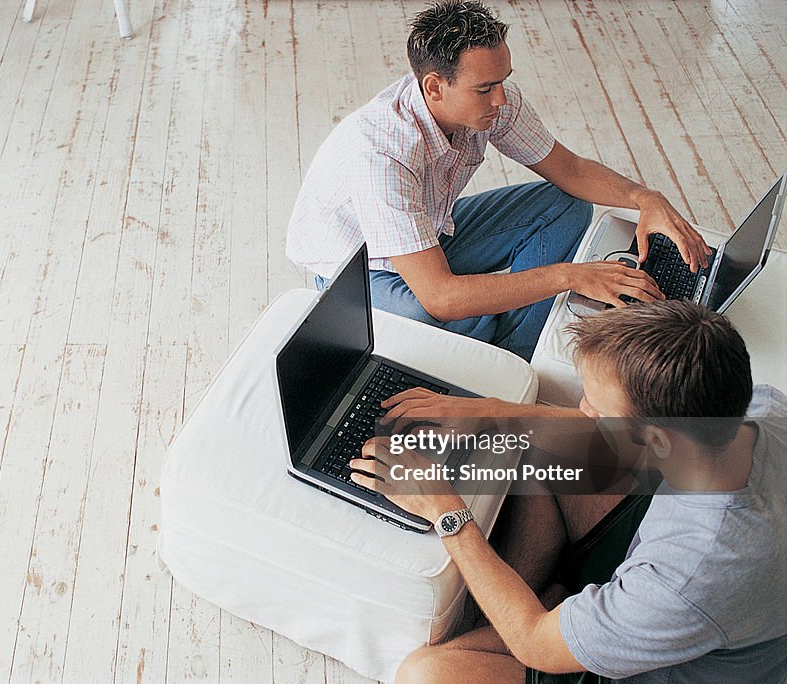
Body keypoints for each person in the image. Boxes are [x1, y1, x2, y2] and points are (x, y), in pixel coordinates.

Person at [349, 301, 787, 683]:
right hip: (682, 559)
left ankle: (551, 618)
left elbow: (535, 647)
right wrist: (489, 413)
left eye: (597, 409)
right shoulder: (760, 409)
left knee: (425, 674)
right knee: (541, 449)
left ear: (658, 442)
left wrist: (444, 507)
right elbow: (611, 437)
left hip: (664, 668)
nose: (582, 410)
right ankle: (546, 608)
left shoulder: (692, 575)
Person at [285, 1, 711, 361]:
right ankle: (500, 341)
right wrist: (571, 276)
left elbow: (570, 170)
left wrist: (645, 197)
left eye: (503, 81)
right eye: (485, 87)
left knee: (565, 205)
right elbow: (439, 296)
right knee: (435, 315)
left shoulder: (489, 102)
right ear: (435, 87)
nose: (502, 99)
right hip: (363, 266)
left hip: (430, 231)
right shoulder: (381, 154)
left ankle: (516, 347)